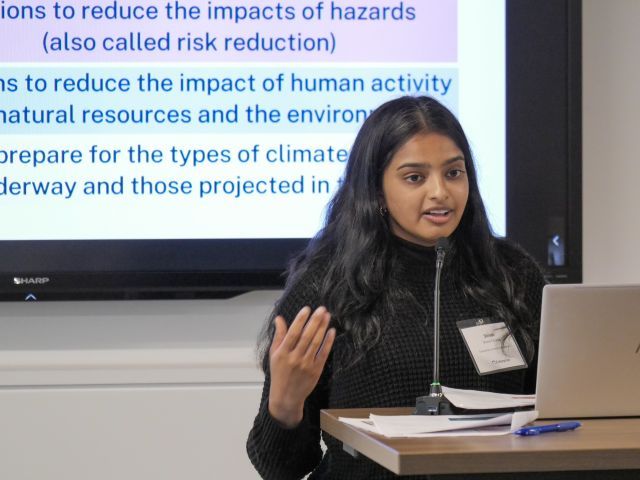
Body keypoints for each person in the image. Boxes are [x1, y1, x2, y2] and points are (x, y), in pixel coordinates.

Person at [246, 95, 546, 479]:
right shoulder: (327, 286)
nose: (440, 192)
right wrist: (285, 405)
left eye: (454, 173)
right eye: (415, 177)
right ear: (376, 190)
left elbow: (562, 413)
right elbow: (278, 468)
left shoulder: (512, 272)